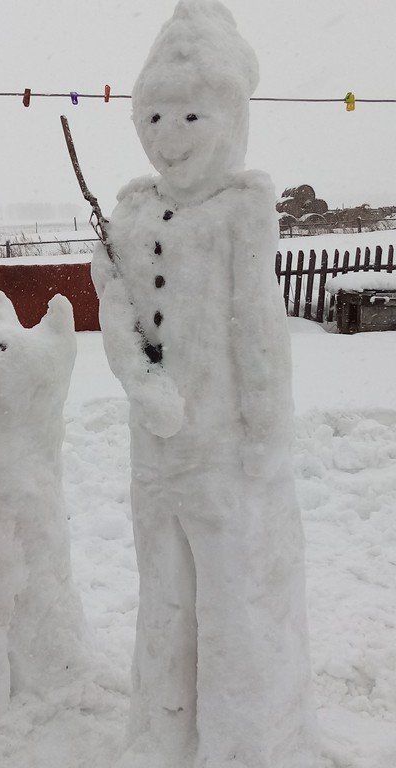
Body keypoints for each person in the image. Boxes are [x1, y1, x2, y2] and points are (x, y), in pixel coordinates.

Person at [92, 2, 323, 766]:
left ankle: (240, 743)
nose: (169, 135)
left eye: (191, 115)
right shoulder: (129, 211)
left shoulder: (241, 210)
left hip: (225, 455)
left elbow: (259, 333)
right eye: (154, 116)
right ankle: (163, 735)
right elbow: (120, 316)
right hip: (154, 458)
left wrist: (264, 435)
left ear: (228, 115)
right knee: (163, 599)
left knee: (234, 603)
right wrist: (134, 371)